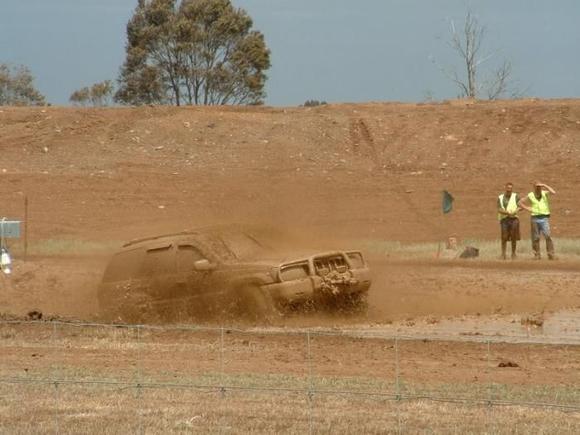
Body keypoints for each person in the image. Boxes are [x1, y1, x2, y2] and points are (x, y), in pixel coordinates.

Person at [518, 182, 556, 260]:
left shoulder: (545, 193)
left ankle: (551, 254)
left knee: (548, 236)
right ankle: (537, 255)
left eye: (539, 187)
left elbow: (553, 192)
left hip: (544, 218)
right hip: (535, 218)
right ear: (534, 187)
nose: (538, 188)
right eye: (537, 187)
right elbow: (519, 202)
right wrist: (527, 208)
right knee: (535, 237)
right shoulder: (530, 195)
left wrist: (545, 185)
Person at [497, 182, 521, 260]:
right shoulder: (500, 197)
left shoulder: (516, 196)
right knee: (504, 237)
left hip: (514, 219)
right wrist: (507, 212)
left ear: (512, 189)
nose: (509, 190)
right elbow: (499, 209)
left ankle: (513, 254)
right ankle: (503, 254)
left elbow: (521, 206)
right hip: (504, 219)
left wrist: (515, 211)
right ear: (505, 188)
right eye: (508, 188)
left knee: (514, 236)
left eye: (510, 188)